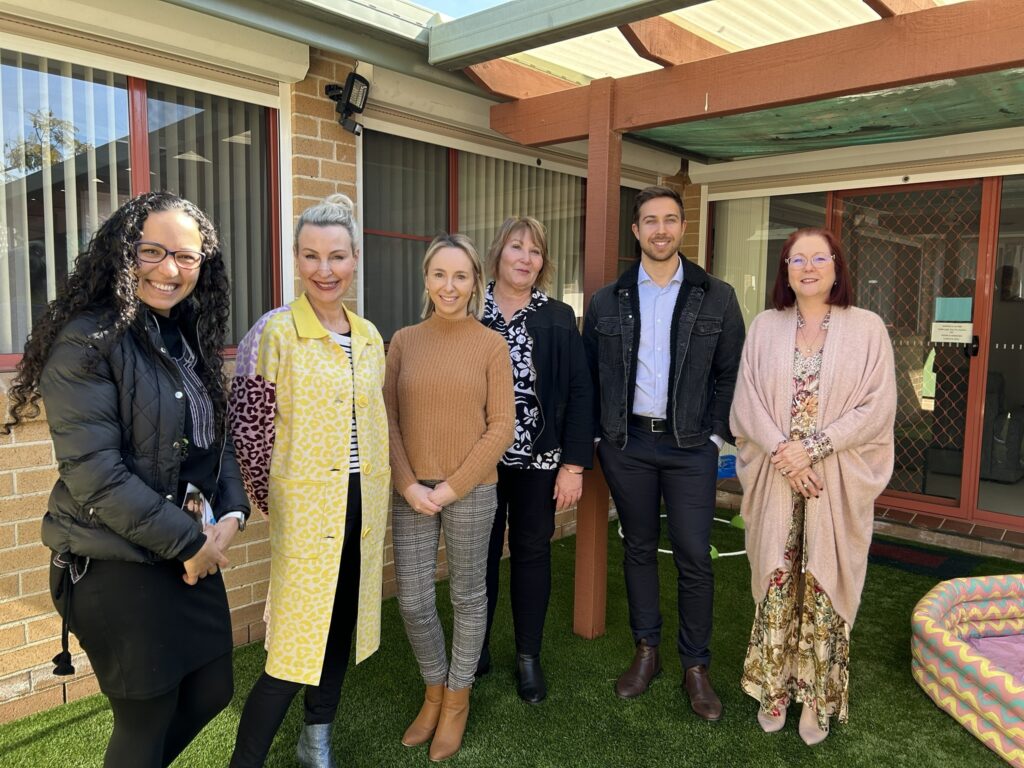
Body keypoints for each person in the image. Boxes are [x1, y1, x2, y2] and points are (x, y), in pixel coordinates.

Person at [3, 192, 249, 767]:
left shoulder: (182, 335)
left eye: (187, 257)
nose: (170, 269)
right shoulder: (88, 340)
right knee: (147, 718)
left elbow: (219, 440)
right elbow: (97, 476)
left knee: (213, 690)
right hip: (115, 561)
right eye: (153, 251)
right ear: (123, 251)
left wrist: (231, 516)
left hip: (188, 550)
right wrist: (191, 545)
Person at [227, 194, 390, 768]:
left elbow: (373, 421)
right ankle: (246, 759)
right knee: (294, 647)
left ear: (355, 259)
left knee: (340, 626)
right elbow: (248, 427)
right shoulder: (273, 332)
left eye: (338, 257)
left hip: (361, 509)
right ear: (296, 260)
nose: (326, 270)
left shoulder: (370, 337)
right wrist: (271, 501)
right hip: (303, 514)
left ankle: (315, 737)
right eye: (312, 256)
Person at [582, 185, 744, 721]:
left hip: (691, 445)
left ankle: (695, 665)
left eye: (670, 220)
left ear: (682, 228)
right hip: (627, 444)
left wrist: (716, 437)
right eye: (650, 220)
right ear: (636, 231)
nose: (660, 229)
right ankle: (646, 650)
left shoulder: (715, 295)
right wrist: (602, 437)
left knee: (695, 556)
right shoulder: (609, 299)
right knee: (638, 548)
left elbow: (731, 373)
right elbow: (591, 376)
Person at [730, 227, 896, 745]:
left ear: (836, 267)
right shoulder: (764, 327)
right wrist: (786, 454)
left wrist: (815, 448)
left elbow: (877, 408)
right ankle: (774, 692)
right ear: (785, 271)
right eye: (795, 259)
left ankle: (817, 703)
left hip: (835, 482)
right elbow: (746, 402)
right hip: (779, 479)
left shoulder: (867, 328)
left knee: (822, 588)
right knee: (780, 584)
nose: (807, 267)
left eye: (818, 257)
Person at [385, 234, 515, 761]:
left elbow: (501, 426)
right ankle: (433, 689)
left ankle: (457, 699)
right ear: (426, 279)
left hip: (471, 489)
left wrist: (452, 487)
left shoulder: (490, 344)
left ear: (475, 283)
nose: (449, 286)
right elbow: (386, 420)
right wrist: (410, 485)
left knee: (467, 595)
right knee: (414, 600)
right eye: (440, 274)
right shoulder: (403, 341)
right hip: (411, 489)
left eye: (461, 276)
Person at [477, 216, 593, 703]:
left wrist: (572, 464)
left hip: (538, 460)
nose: (525, 258)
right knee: (476, 558)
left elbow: (579, 391)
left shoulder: (558, 317)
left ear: (543, 262)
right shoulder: (467, 307)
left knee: (531, 554)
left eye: (535, 251)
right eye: (516, 247)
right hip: (476, 462)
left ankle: (528, 657)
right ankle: (474, 650)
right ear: (498, 252)